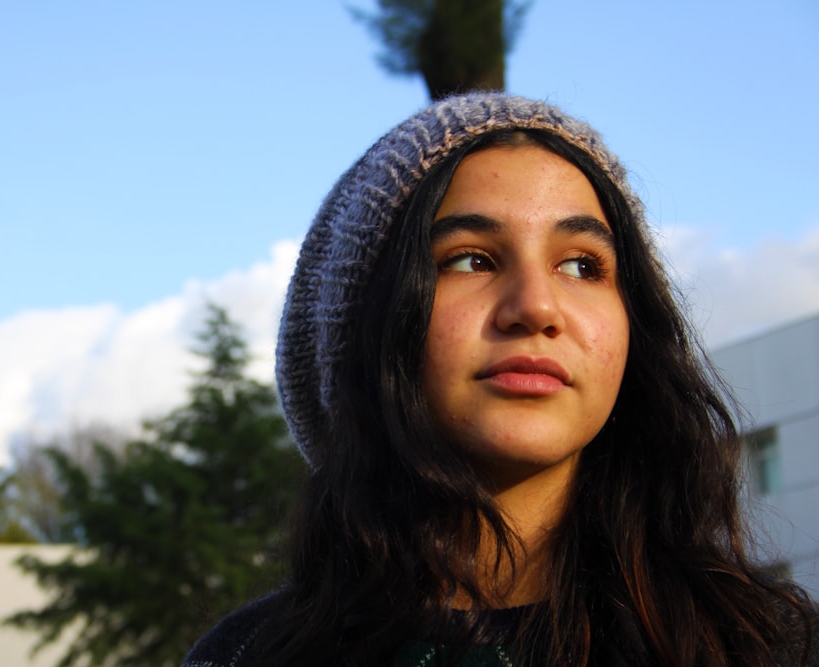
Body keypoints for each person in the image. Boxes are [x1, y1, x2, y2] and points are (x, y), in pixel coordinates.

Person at [182, 92, 817, 666]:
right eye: (470, 259)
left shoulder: (770, 646)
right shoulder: (246, 656)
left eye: (581, 265)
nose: (537, 307)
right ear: (361, 328)